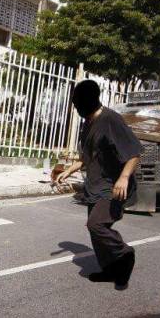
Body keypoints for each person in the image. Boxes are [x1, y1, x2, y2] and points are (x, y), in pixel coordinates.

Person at [56, 80, 143, 290]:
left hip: (113, 187)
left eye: (78, 103)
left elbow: (134, 152)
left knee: (96, 225)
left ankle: (124, 254)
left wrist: (123, 178)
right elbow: (87, 156)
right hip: (95, 186)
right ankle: (112, 271)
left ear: (90, 100)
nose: (76, 107)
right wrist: (68, 170)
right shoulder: (88, 122)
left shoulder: (111, 119)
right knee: (96, 234)